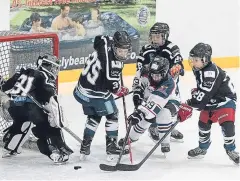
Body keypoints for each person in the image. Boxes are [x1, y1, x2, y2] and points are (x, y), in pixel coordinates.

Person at [0, 54, 73, 164]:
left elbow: (5, 88)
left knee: (21, 123)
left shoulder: (24, 72)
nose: (55, 70)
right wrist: (56, 119)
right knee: (46, 127)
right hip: (30, 108)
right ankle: (55, 153)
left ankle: (9, 148)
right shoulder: (45, 77)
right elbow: (51, 99)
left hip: (14, 107)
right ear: (45, 66)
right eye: (53, 67)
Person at [73, 31, 132, 161]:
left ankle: (85, 145)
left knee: (95, 115)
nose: (123, 54)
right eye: (120, 51)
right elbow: (113, 86)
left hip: (80, 90)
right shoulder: (113, 64)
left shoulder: (105, 43)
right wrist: (120, 90)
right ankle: (111, 147)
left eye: (125, 51)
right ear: (114, 47)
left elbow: (99, 38)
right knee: (113, 115)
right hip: (94, 94)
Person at [119, 56, 185, 154]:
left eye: (158, 76)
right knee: (144, 120)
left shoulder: (168, 83)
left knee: (163, 114)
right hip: (150, 99)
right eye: (153, 74)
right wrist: (137, 93)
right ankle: (131, 138)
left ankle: (165, 142)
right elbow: (138, 83)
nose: (154, 77)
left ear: (164, 73)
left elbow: (156, 102)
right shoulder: (144, 71)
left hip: (169, 101)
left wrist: (140, 113)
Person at [186, 43, 238, 165]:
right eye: (192, 59)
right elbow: (204, 89)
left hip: (225, 101)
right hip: (211, 99)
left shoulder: (211, 72)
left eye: (196, 60)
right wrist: (198, 92)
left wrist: (190, 103)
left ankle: (231, 150)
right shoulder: (198, 68)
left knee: (227, 125)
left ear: (205, 59)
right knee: (203, 124)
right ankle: (203, 148)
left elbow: (203, 96)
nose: (193, 62)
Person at [133, 22, 184, 142]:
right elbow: (139, 70)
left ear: (165, 36)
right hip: (151, 84)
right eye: (153, 36)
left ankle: (167, 127)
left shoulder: (172, 48)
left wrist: (176, 69)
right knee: (151, 106)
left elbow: (179, 64)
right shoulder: (146, 49)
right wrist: (137, 87)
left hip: (167, 84)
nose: (154, 39)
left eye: (157, 36)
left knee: (170, 107)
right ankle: (153, 127)